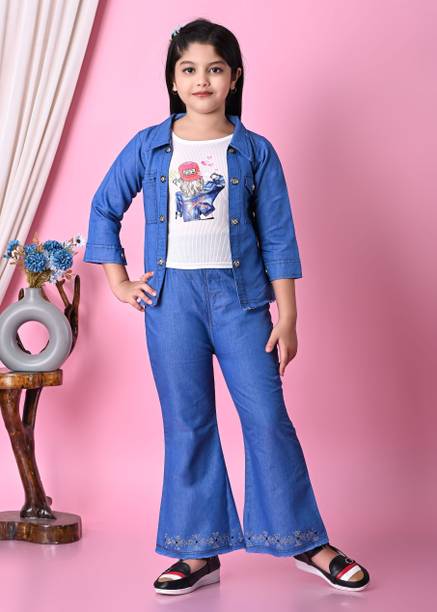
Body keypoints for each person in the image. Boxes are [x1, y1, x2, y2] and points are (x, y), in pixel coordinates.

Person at [83, 18, 370, 596]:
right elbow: (103, 208)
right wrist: (118, 282)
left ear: (234, 78)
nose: (202, 80)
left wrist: (288, 316)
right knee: (187, 423)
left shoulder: (256, 152)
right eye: (189, 69)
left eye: (214, 69)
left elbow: (279, 237)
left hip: (242, 302)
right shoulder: (149, 145)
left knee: (267, 416)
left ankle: (305, 540)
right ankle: (197, 550)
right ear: (172, 79)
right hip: (172, 304)